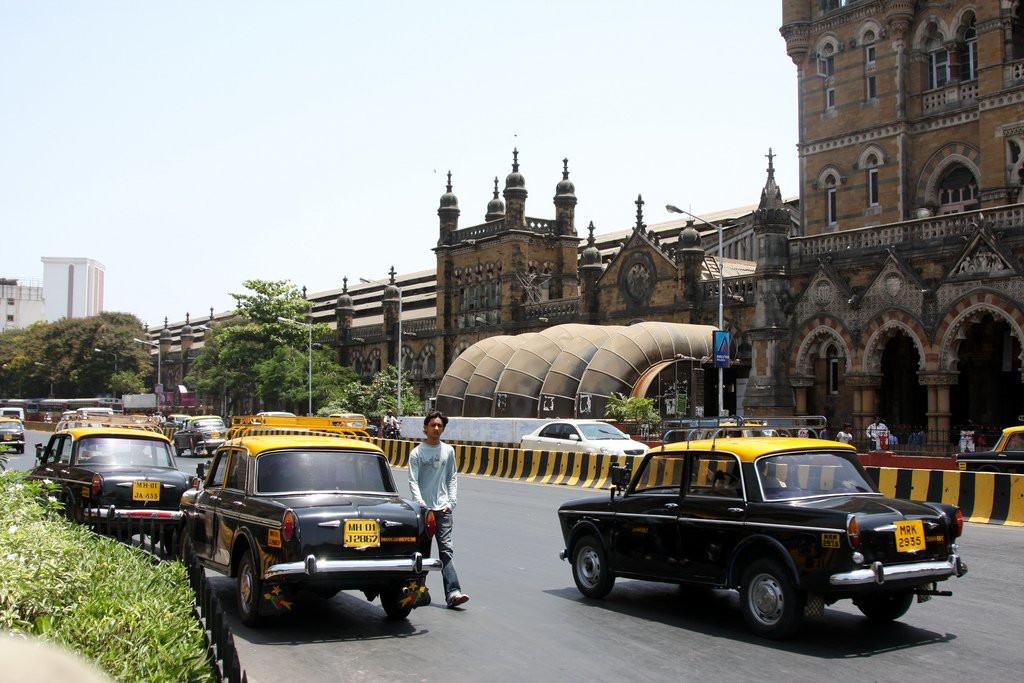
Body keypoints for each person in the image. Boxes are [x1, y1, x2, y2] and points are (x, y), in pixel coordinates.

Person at [408, 411, 469, 609]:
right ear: (425, 427)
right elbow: (413, 481)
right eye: (432, 425)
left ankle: (453, 592)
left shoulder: (448, 451)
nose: (436, 428)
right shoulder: (417, 453)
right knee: (421, 553)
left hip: (443, 510)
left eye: (439, 425)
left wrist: (451, 503)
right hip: (423, 511)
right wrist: (421, 504)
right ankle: (418, 593)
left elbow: (452, 477)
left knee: (446, 551)